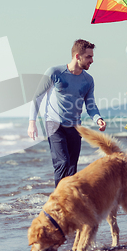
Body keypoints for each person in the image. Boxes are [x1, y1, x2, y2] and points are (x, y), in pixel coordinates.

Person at [28, 39, 106, 187]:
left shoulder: (88, 80)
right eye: (89, 56)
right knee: (62, 162)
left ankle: (69, 203)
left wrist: (98, 119)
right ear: (78, 56)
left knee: (71, 169)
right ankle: (58, 202)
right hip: (54, 124)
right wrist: (32, 122)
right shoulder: (54, 72)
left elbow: (90, 104)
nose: (92, 60)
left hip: (75, 127)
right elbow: (37, 97)